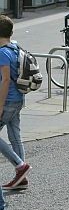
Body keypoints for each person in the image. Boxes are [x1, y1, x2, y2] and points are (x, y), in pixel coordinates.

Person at [0, 16, 31, 195]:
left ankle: (20, 166)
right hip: (19, 98)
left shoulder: (2, 52)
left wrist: (0, 105)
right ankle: (22, 178)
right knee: (14, 135)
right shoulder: (15, 47)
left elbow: (4, 80)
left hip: (8, 100)